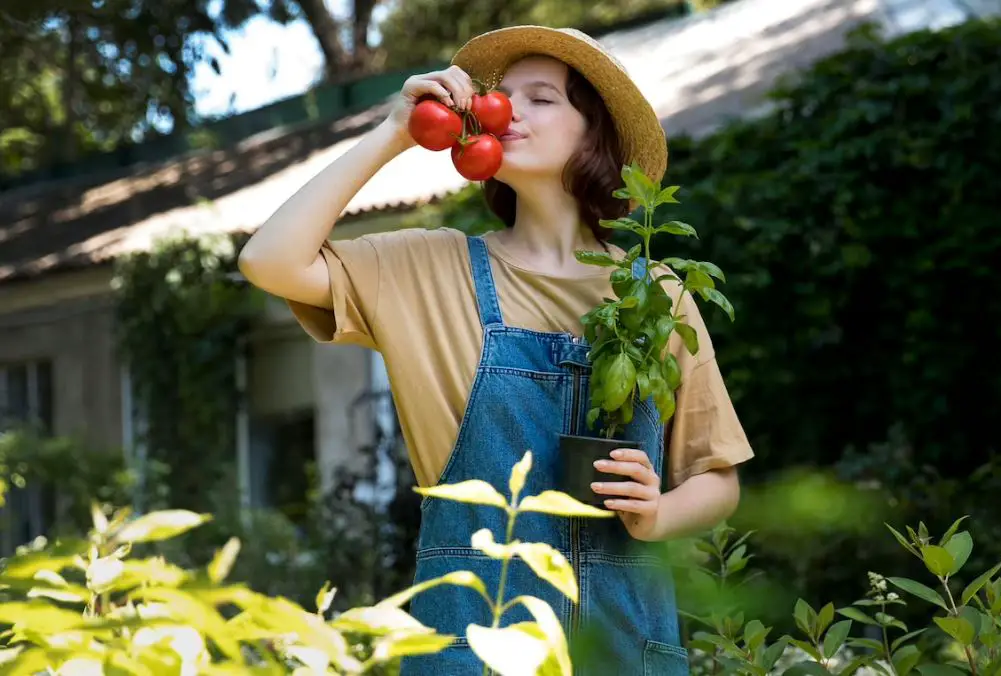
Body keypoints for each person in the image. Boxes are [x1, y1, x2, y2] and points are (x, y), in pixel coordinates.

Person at [238, 25, 754, 676]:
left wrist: (657, 515)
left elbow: (717, 477)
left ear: (594, 135)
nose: (508, 110)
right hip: (472, 647)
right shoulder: (430, 268)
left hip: (624, 643)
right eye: (501, 96)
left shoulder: (657, 295)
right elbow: (267, 259)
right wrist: (394, 131)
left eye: (541, 98)